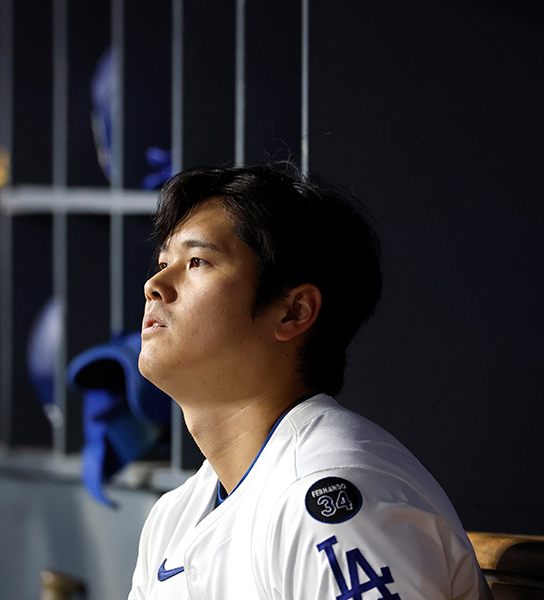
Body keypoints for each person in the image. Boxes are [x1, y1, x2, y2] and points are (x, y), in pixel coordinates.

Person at [128, 163, 491, 599]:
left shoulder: (334, 498)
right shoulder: (174, 516)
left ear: (294, 311)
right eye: (164, 262)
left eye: (197, 261)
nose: (155, 284)